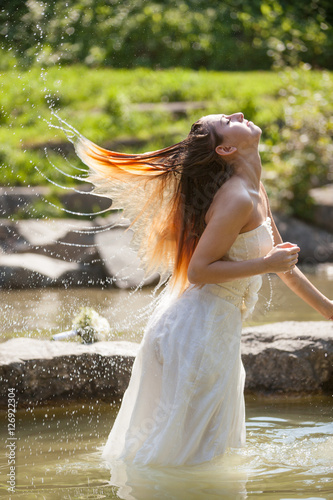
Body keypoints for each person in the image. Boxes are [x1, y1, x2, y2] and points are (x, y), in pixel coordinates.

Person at [74, 112, 333, 467]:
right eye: (227, 120)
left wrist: (329, 310)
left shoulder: (254, 189)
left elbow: (282, 264)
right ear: (226, 148)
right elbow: (198, 271)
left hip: (209, 328)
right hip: (196, 333)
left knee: (194, 452)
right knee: (187, 457)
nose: (239, 114)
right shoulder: (237, 198)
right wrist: (265, 265)